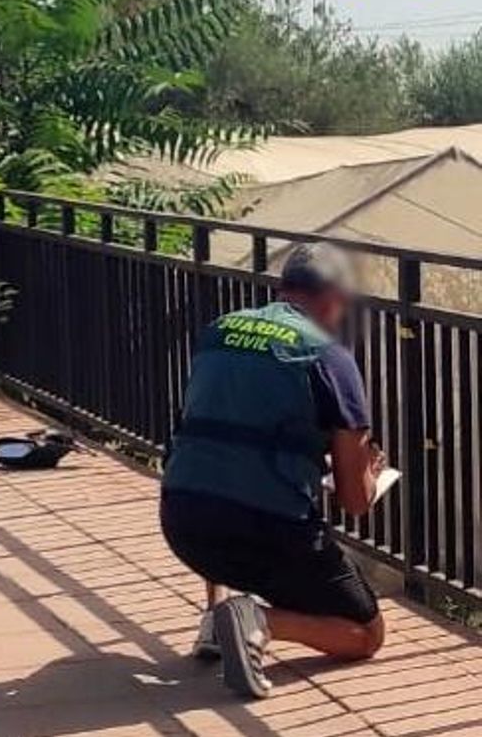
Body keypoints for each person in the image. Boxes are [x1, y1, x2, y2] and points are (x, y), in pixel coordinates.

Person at [160, 242, 386, 699]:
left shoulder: (218, 331)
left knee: (224, 464)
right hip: (267, 535)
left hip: (183, 522)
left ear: (283, 290)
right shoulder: (330, 358)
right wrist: (370, 472)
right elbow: (355, 501)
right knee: (366, 633)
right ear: (335, 299)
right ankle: (259, 620)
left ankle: (215, 618)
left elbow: (210, 435)